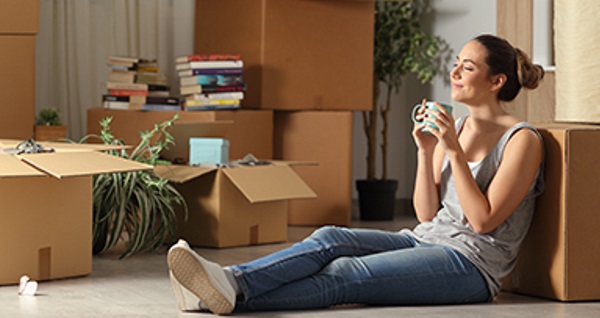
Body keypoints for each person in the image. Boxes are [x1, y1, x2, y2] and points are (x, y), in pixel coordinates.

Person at [166, 33, 546, 315]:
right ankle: (228, 282)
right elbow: (427, 215)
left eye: (468, 66)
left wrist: (452, 151)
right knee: (331, 238)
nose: (455, 72)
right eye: (457, 62)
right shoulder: (458, 128)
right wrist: (425, 151)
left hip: (471, 266)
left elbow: (481, 221)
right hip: (425, 239)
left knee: (345, 274)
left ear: (496, 81)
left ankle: (214, 295)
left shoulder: (522, 140)